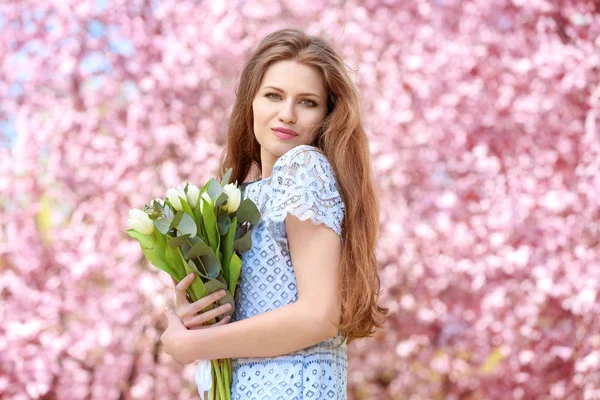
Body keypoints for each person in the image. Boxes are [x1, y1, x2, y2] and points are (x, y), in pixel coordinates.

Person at [160, 28, 388, 399]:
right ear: (251, 101)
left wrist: (199, 346)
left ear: (328, 115)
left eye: (308, 102)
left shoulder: (304, 169)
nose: (288, 114)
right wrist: (199, 321)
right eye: (273, 95)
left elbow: (319, 315)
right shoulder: (244, 196)